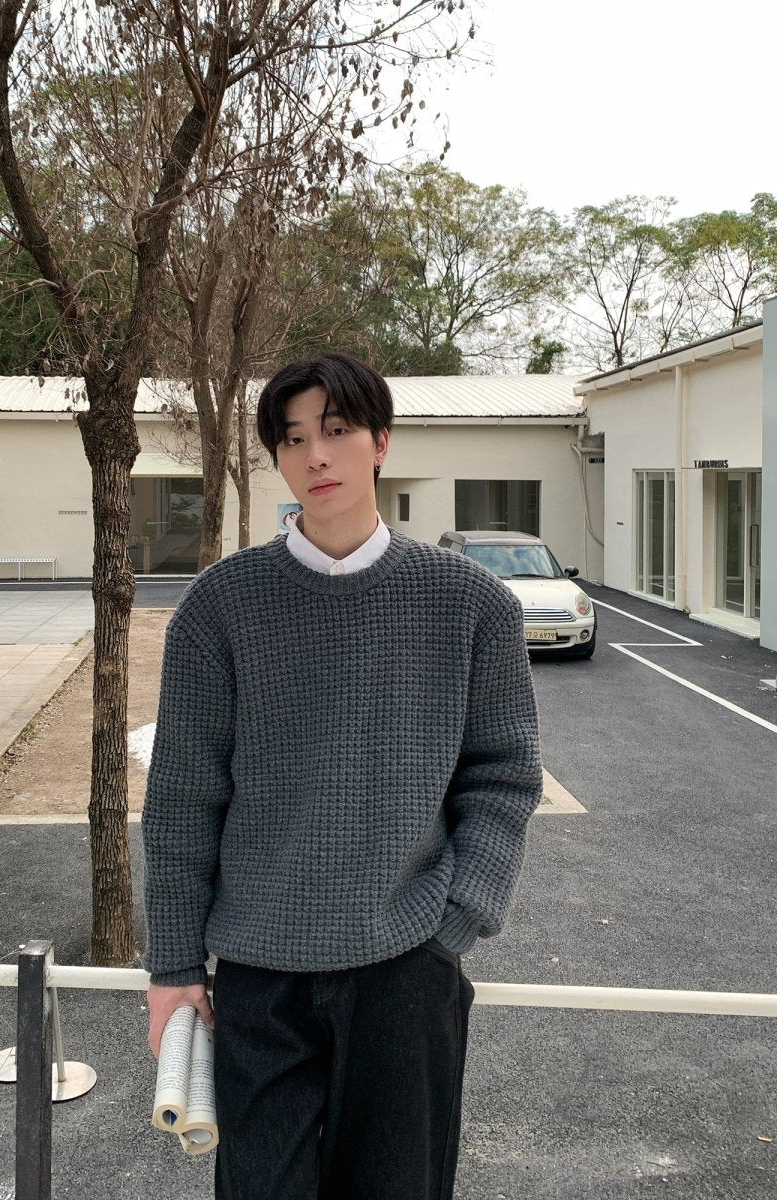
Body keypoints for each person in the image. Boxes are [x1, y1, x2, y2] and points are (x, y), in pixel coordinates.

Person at [142, 352, 544, 1200]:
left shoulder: (472, 605)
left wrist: (456, 919)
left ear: (380, 442)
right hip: (258, 975)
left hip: (409, 968)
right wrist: (173, 968)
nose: (315, 455)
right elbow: (181, 798)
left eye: (336, 430)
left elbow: (504, 775)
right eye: (292, 438)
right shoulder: (220, 607)